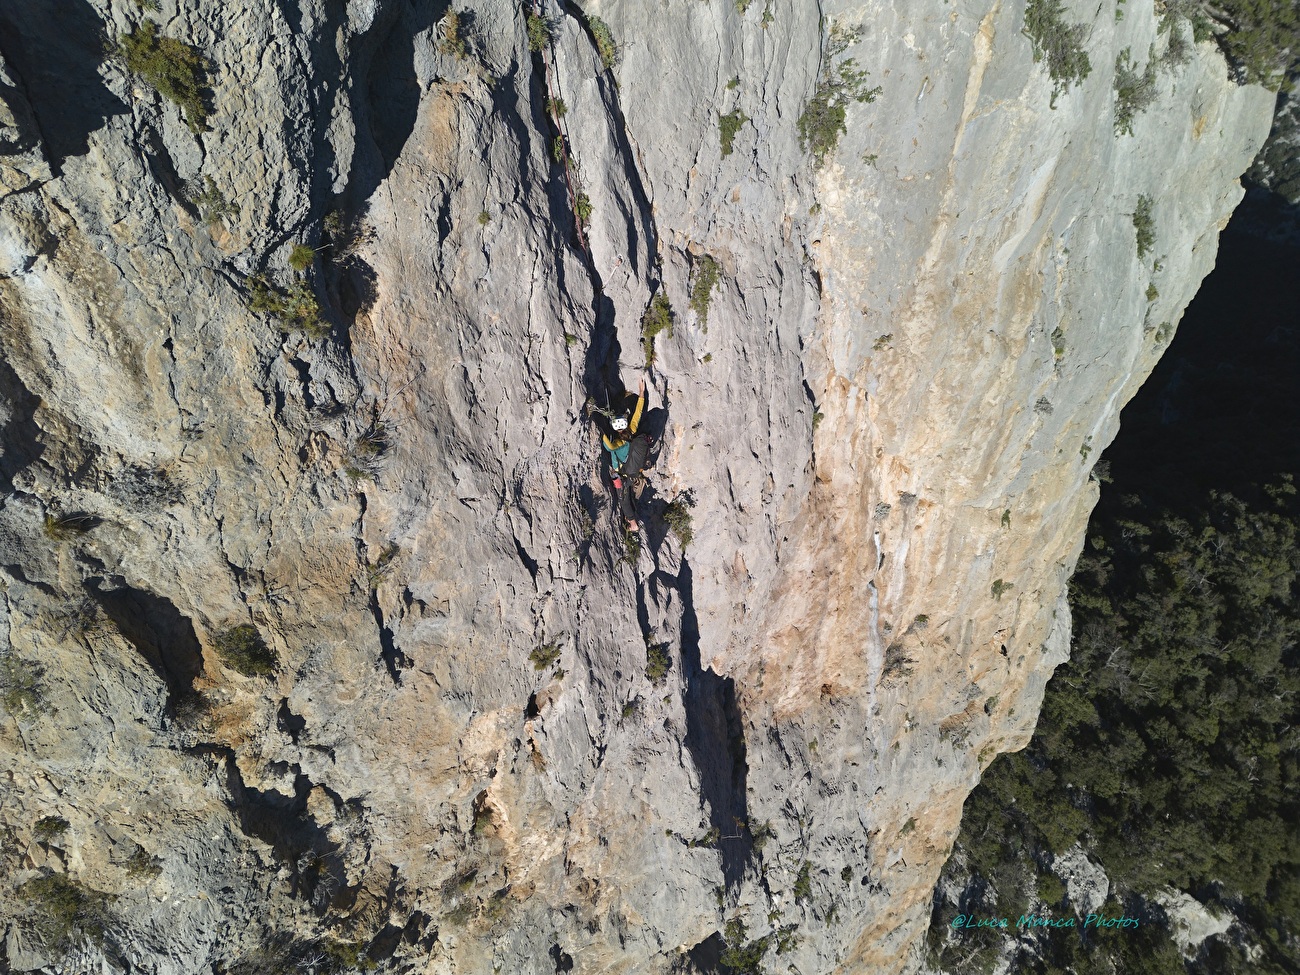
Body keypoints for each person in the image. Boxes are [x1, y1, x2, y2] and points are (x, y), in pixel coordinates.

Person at [589, 375, 650, 530]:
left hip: (623, 473)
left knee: (623, 499)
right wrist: (641, 392)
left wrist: (602, 432)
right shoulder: (632, 430)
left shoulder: (618, 442)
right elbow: (637, 413)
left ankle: (633, 523)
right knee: (627, 496)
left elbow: (609, 446)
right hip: (630, 472)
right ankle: (631, 519)